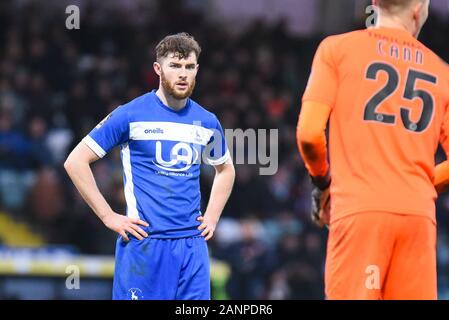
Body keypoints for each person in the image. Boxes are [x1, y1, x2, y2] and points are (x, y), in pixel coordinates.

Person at [64, 32, 235, 300]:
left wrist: (212, 216)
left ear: (197, 70)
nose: (183, 74)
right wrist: (108, 216)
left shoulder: (207, 121)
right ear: (158, 69)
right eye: (175, 66)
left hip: (192, 249)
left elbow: (226, 169)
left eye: (189, 67)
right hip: (145, 245)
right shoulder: (130, 114)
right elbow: (75, 161)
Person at [297, 0, 449, 299]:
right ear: (419, 8)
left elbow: (309, 135)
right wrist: (415, 183)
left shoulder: (336, 50)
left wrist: (323, 183)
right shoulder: (442, 72)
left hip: (359, 211)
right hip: (417, 218)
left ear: (375, 3)